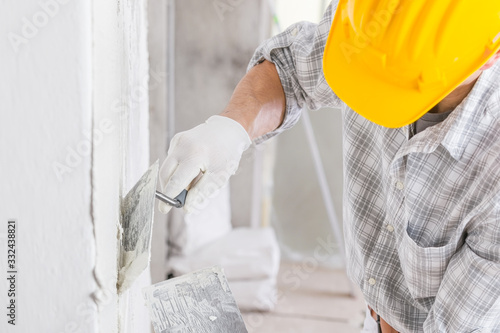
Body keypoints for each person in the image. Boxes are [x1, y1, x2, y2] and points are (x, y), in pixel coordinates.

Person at [158, 1, 500, 332]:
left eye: (401, 82)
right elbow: (290, 69)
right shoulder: (374, 29)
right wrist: (231, 128)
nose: (376, 93)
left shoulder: (493, 170)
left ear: (490, 57)